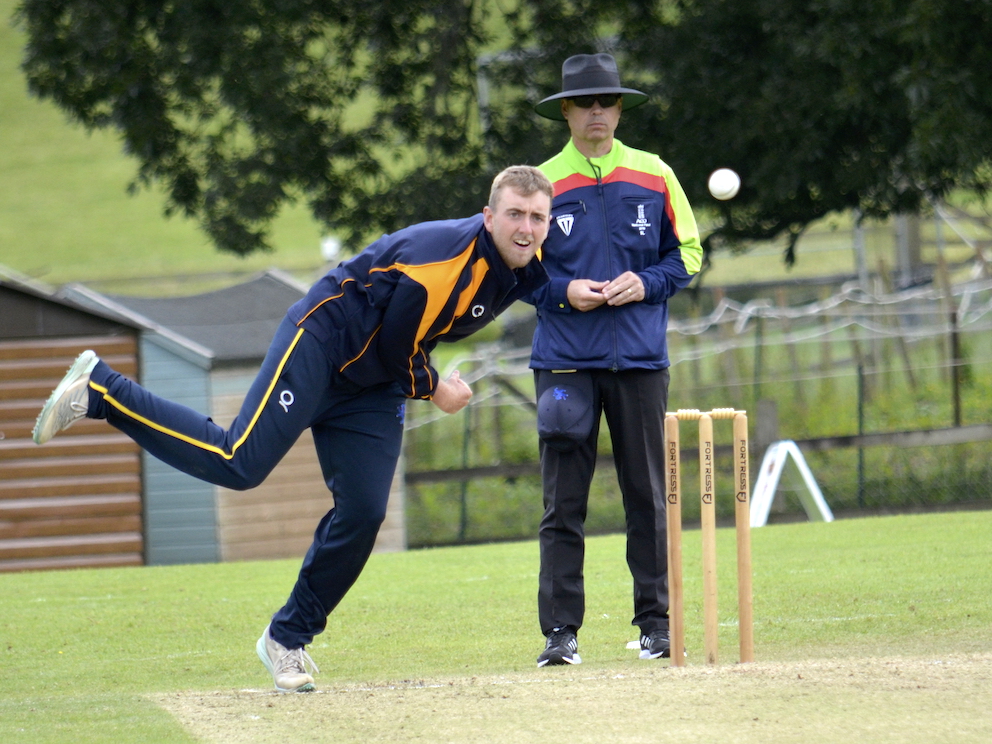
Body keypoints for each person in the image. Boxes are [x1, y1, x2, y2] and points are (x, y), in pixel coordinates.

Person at [32, 165, 553, 692]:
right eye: (514, 214)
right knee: (237, 462)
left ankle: (287, 638)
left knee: (365, 512)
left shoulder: (524, 266)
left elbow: (553, 287)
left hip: (371, 387)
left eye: (536, 217)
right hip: (321, 346)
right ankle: (103, 390)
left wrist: (599, 290)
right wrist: (438, 389)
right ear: (488, 217)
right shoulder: (443, 260)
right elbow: (399, 346)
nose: (525, 228)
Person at [528, 53, 703, 666]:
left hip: (639, 360)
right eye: (585, 103)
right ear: (567, 112)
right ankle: (560, 636)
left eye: (607, 102)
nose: (596, 112)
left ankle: (656, 626)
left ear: (620, 108)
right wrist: (561, 292)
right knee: (563, 502)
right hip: (565, 364)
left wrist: (647, 283)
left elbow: (688, 255)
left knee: (648, 496)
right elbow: (512, 269)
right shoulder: (540, 185)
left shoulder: (655, 175)